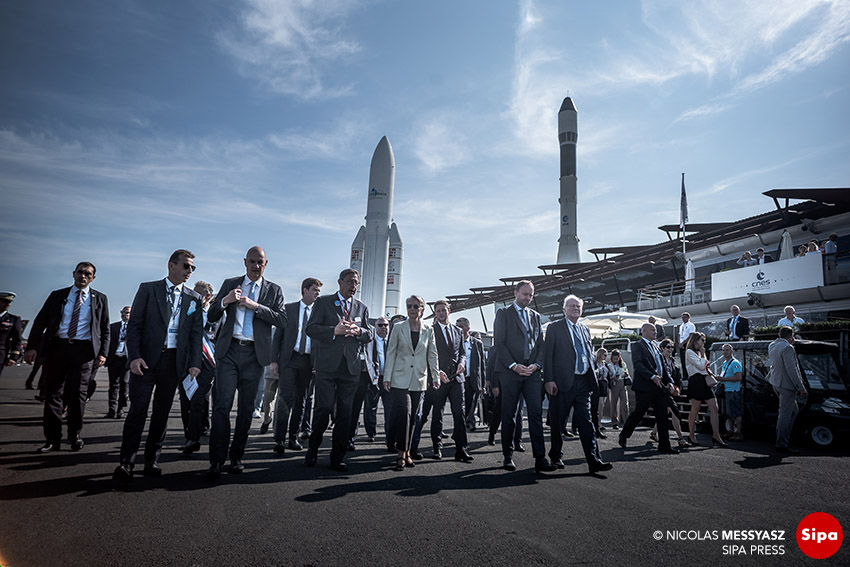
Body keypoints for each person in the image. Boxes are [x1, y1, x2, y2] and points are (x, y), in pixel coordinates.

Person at [112, 250, 204, 482]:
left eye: (192, 268)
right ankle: (126, 462)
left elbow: (195, 333)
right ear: (171, 265)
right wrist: (134, 357)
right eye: (185, 266)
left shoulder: (193, 299)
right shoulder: (148, 289)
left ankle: (152, 459)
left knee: (161, 413)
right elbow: (134, 326)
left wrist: (194, 363)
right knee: (138, 410)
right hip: (145, 361)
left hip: (173, 363)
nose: (189, 271)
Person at [205, 246, 287, 480]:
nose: (256, 265)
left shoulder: (274, 290)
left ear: (266, 263)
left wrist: (255, 306)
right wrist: (225, 301)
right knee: (222, 406)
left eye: (260, 262)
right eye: (251, 261)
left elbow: (281, 320)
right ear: (245, 262)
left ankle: (236, 457)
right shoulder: (230, 283)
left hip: (254, 354)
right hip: (229, 351)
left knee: (246, 410)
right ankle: (216, 460)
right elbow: (211, 315)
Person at [25, 262, 110, 453]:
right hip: (58, 348)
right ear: (74, 274)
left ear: (93, 278)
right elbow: (40, 321)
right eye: (80, 272)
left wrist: (103, 353)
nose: (83, 276)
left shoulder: (100, 299)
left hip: (84, 352)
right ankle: (52, 439)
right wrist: (31, 347)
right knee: (52, 394)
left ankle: (74, 435)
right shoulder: (58, 296)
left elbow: (105, 328)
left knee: (77, 395)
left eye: (88, 274)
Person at [304, 268, 372, 472]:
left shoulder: (361, 308)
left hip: (350, 369)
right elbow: (311, 329)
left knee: (345, 414)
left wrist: (358, 331)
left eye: (356, 282)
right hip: (327, 367)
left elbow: (368, 334)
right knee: (323, 409)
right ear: (340, 282)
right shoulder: (324, 303)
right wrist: (334, 331)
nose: (354, 286)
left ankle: (337, 457)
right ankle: (313, 448)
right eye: (350, 281)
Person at [543, 295, 612, 474]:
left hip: (582, 383)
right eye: (572, 306)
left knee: (586, 423)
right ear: (564, 309)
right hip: (561, 383)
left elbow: (588, 355)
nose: (575, 308)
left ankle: (594, 460)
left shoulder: (584, 329)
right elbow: (547, 355)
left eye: (578, 306)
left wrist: (590, 382)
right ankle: (556, 456)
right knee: (558, 423)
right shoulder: (554, 327)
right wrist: (549, 379)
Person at [492, 281, 556, 473]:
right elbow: (499, 344)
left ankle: (540, 459)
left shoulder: (536, 316)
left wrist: (536, 365)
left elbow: (540, 345)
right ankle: (508, 456)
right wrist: (514, 366)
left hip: (532, 373)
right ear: (515, 293)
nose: (528, 298)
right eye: (524, 294)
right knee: (509, 415)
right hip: (510, 372)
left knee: (535, 415)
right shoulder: (503, 314)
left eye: (531, 295)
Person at [382, 295, 442, 470]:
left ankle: (407, 451)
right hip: (399, 378)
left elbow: (432, 354)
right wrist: (387, 377)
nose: (412, 309)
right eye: (409, 306)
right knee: (404, 413)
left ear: (422, 309)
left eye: (416, 306)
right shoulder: (398, 328)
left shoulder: (428, 329)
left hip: (419, 378)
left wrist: (435, 377)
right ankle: (400, 454)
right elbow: (391, 353)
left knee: (414, 417)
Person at [410, 299, 471, 463]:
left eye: (444, 310)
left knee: (459, 414)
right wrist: (438, 372)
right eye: (438, 311)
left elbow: (462, 353)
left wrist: (462, 364)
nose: (441, 313)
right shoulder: (430, 330)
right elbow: (425, 354)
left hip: (457, 379)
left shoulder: (458, 331)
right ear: (435, 314)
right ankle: (437, 448)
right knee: (438, 414)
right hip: (438, 379)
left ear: (449, 311)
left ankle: (461, 449)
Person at [268, 277, 322, 454]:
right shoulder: (289, 309)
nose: (317, 294)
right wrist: (274, 361)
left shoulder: (319, 312)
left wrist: (317, 363)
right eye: (315, 290)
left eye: (319, 291)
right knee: (285, 398)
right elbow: (278, 336)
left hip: (308, 362)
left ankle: (293, 437)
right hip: (289, 359)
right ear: (305, 290)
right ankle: (280, 438)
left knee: (302, 400)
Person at [618, 323, 678, 455]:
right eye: (652, 330)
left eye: (655, 330)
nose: (655, 332)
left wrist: (670, 382)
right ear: (644, 331)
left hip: (660, 387)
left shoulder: (657, 347)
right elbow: (638, 364)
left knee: (662, 415)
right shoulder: (637, 346)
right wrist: (652, 376)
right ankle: (624, 434)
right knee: (639, 412)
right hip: (645, 387)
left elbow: (664, 367)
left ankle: (664, 445)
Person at [179, 280, 218, 454]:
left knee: (198, 399)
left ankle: (193, 438)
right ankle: (190, 433)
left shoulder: (217, 313)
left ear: (208, 295)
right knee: (185, 399)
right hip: (187, 362)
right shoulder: (188, 311)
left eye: (198, 293)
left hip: (208, 363)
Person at [768, 327, 807, 453]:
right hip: (787, 386)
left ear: (779, 334)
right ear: (791, 336)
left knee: (793, 411)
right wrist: (801, 388)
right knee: (785, 414)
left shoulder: (772, 345)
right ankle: (781, 444)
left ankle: (785, 437)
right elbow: (792, 370)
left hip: (776, 383)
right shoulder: (788, 348)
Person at [683, 332, 725, 447]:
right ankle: (691, 434)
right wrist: (702, 353)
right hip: (696, 380)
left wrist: (702, 354)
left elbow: (705, 366)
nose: (703, 343)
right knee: (695, 408)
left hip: (704, 380)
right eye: (702, 340)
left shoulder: (699, 352)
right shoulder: (689, 352)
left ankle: (716, 435)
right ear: (696, 341)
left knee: (714, 407)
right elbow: (701, 366)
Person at [650, 338, 689, 448]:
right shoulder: (658, 360)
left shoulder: (672, 361)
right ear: (662, 348)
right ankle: (680, 438)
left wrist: (677, 387)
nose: (670, 349)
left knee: (665, 412)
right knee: (674, 412)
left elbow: (677, 376)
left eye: (672, 347)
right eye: (668, 347)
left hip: (670, 391)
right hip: (661, 391)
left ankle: (653, 432)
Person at [457, 317, 485, 432]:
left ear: (467, 328)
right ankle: (459, 428)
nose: (457, 330)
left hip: (472, 380)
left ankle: (465, 425)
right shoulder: (455, 342)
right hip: (458, 379)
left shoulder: (477, 343)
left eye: (460, 327)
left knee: (469, 405)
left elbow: (482, 365)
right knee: (458, 406)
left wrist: (483, 384)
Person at [104, 306, 131, 419]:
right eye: (123, 312)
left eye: (127, 313)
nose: (125, 314)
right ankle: (111, 409)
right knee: (113, 385)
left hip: (126, 359)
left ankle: (120, 409)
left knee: (124, 383)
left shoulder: (135, 328)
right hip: (114, 359)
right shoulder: (113, 327)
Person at [718, 344, 744, 441]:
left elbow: (739, 377)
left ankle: (738, 432)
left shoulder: (735, 363)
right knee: (729, 412)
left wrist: (724, 379)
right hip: (727, 390)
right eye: (724, 350)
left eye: (727, 350)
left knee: (737, 412)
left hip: (734, 391)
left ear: (732, 351)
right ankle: (731, 431)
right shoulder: (725, 363)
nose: (725, 352)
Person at [0, 291, 23, 378]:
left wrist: (14, 357)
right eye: (5, 301)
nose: (7, 304)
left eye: (9, 302)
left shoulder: (14, 319)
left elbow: (16, 339)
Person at [606, 349, 630, 429]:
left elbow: (626, 373)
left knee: (625, 404)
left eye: (617, 358)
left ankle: (626, 421)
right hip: (614, 384)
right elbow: (609, 376)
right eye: (614, 358)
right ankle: (615, 422)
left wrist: (626, 374)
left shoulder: (623, 364)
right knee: (614, 404)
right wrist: (613, 378)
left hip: (622, 383)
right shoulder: (609, 366)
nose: (616, 360)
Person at [594, 348, 609, 435]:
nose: (605, 357)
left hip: (604, 384)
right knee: (598, 405)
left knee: (602, 405)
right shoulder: (596, 363)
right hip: (598, 384)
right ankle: (597, 423)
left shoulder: (605, 364)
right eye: (604, 355)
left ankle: (600, 422)